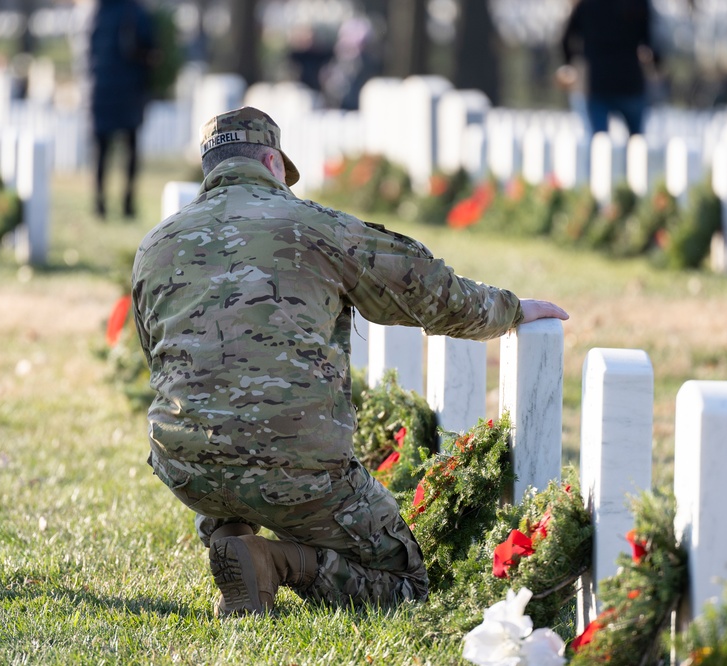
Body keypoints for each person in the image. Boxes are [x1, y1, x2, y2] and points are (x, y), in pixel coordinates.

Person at [130, 107, 570, 615]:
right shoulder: (316, 226)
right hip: (298, 467)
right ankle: (274, 562)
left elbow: (161, 362)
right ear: (272, 162)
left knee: (219, 436)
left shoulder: (154, 245)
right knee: (405, 583)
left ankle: (228, 528)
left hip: (186, 464)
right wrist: (511, 309)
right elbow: (425, 289)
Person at [87, 0, 155, 219]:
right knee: (131, 148)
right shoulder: (133, 11)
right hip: (128, 88)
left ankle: (99, 203)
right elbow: (147, 47)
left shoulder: (94, 12)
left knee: (101, 150)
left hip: (100, 88)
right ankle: (127, 203)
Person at [558, 0, 661, 137]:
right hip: (630, 82)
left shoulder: (586, 4)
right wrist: (658, 65)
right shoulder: (639, 3)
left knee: (599, 144)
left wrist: (570, 63)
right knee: (637, 143)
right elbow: (650, 42)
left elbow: (566, 40)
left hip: (598, 82)